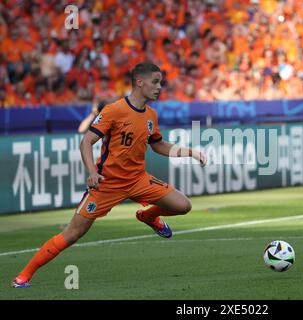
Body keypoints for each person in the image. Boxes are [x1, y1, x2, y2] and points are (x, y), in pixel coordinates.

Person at [12, 62, 207, 288]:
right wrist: (92, 173)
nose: (159, 87)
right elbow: (86, 142)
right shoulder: (114, 110)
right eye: (155, 82)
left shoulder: (151, 114)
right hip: (107, 184)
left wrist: (190, 152)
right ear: (139, 82)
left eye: (160, 82)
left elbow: (158, 145)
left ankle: (147, 216)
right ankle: (23, 276)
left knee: (183, 205)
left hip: (138, 179)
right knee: (73, 233)